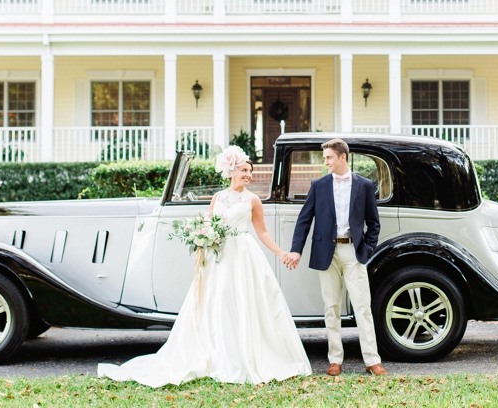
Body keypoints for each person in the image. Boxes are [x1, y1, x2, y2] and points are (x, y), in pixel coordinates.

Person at [98, 145, 311, 387]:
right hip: (217, 256)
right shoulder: (217, 198)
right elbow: (209, 225)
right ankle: (214, 350)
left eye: (250, 171)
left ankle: (244, 353)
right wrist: (202, 245)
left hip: (242, 254)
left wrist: (281, 253)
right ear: (232, 172)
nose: (248, 175)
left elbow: (262, 232)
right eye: (243, 170)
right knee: (215, 300)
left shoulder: (253, 200)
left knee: (242, 299)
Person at [283, 138, 388, 376]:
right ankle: (335, 360)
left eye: (329, 157)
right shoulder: (318, 185)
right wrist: (296, 249)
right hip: (325, 253)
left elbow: (373, 223)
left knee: (362, 306)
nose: (325, 162)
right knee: (331, 307)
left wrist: (368, 247)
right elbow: (304, 220)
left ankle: (373, 360)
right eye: (324, 158)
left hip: (353, 251)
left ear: (343, 157)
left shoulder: (364, 185)